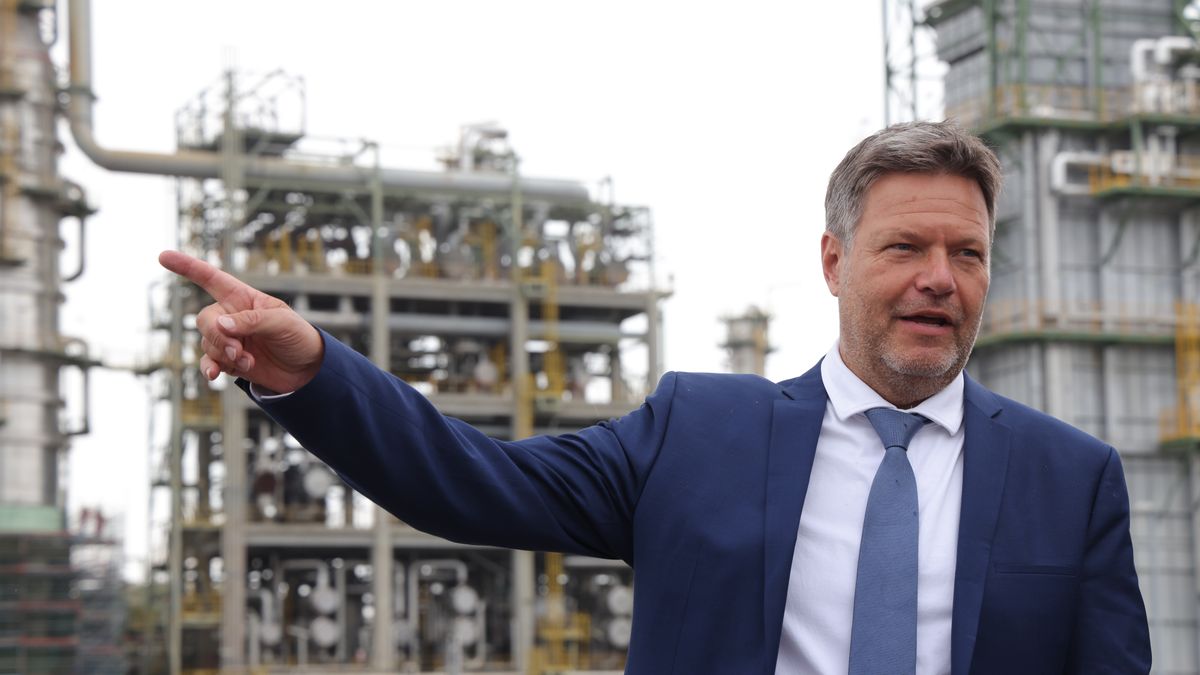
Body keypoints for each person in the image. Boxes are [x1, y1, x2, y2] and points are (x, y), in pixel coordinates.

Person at [159, 121, 1151, 674]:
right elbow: (472, 481)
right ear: (835, 261)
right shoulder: (699, 433)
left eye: (967, 254)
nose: (941, 277)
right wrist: (310, 372)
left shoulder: (1075, 480)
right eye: (905, 248)